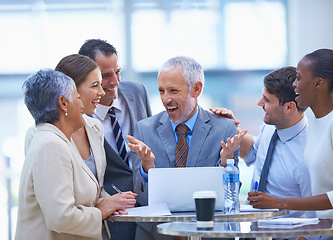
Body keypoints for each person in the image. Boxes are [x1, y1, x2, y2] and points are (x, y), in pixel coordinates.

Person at [248, 49, 333, 239]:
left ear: (318, 83)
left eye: (299, 78)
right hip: (324, 230)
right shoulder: (316, 121)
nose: (294, 84)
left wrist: (279, 202)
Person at [127, 56, 241, 240]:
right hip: (156, 235)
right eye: (161, 91)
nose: (166, 99)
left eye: (173, 91)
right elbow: (142, 199)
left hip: (209, 233)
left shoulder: (224, 128)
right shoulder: (144, 129)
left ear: (196, 89)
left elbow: (230, 198)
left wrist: (225, 162)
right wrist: (148, 167)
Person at [15, 69, 135, 240]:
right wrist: (100, 211)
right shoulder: (51, 145)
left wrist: (105, 202)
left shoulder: (55, 140)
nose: (81, 105)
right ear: (63, 103)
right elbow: (60, 217)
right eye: (77, 98)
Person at [78, 39, 152, 240]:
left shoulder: (138, 92)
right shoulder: (80, 115)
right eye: (105, 76)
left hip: (149, 204)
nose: (115, 82)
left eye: (118, 72)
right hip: (112, 212)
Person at [214, 67, 312, 201]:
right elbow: (255, 153)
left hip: (283, 221)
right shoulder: (271, 127)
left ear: (290, 107)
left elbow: (314, 213)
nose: (259, 103)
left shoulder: (309, 154)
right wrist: (230, 128)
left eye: (267, 100)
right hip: (255, 220)